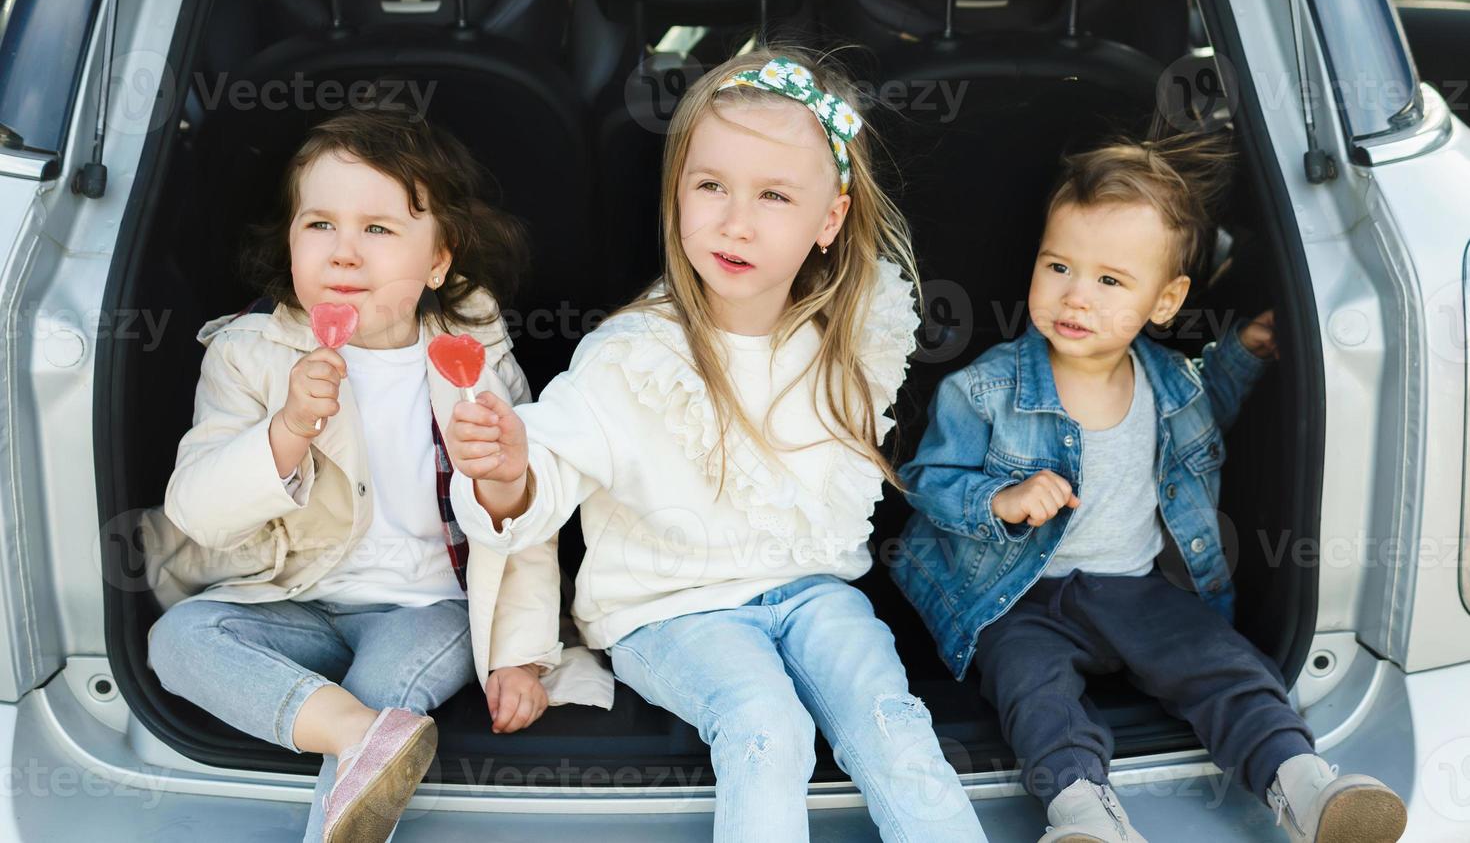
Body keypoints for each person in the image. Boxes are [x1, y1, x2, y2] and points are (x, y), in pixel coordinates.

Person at [444, 50, 987, 841]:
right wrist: (506, 469)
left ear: (828, 221)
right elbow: (540, 486)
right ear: (677, 195)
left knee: (891, 720)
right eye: (711, 187)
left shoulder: (852, 337)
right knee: (766, 726)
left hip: (813, 594)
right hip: (668, 612)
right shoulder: (632, 354)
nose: (736, 221)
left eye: (773, 195)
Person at [891, 131, 1407, 842]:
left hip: (1136, 589)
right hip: (1018, 596)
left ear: (1165, 301)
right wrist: (1000, 503)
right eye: (1058, 266)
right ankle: (1083, 814)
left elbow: (1205, 423)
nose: (1076, 296)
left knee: (1225, 667)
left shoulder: (1168, 384)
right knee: (1032, 692)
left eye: (1110, 281)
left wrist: (1246, 355)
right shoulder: (984, 389)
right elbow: (926, 483)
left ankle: (1304, 783)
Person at [144, 108, 611, 843]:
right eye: (319, 225)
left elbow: (528, 524)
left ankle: (357, 745)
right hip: (294, 597)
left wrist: (520, 653)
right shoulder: (248, 352)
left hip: (429, 607)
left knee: (385, 682)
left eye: (378, 230)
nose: (343, 253)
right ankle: (361, 734)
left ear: (437, 262)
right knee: (177, 638)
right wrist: (288, 429)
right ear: (291, 242)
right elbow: (197, 511)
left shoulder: (472, 355)